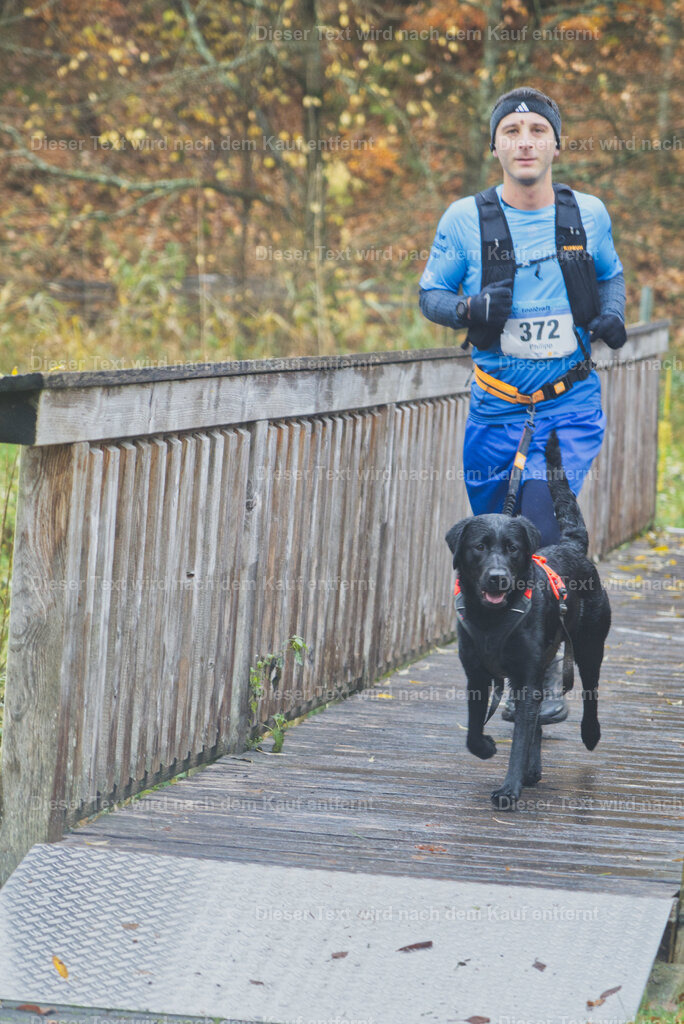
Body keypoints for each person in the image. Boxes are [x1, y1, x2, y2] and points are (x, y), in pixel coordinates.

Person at [419, 86, 626, 724]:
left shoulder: (587, 214)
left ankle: (535, 676)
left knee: (532, 527)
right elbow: (430, 293)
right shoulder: (464, 219)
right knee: (491, 542)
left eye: (538, 128)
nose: (526, 140)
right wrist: (466, 310)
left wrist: (613, 311)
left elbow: (611, 273)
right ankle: (511, 655)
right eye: (512, 130)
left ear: (556, 142)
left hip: (568, 402)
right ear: (496, 145)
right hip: (496, 406)